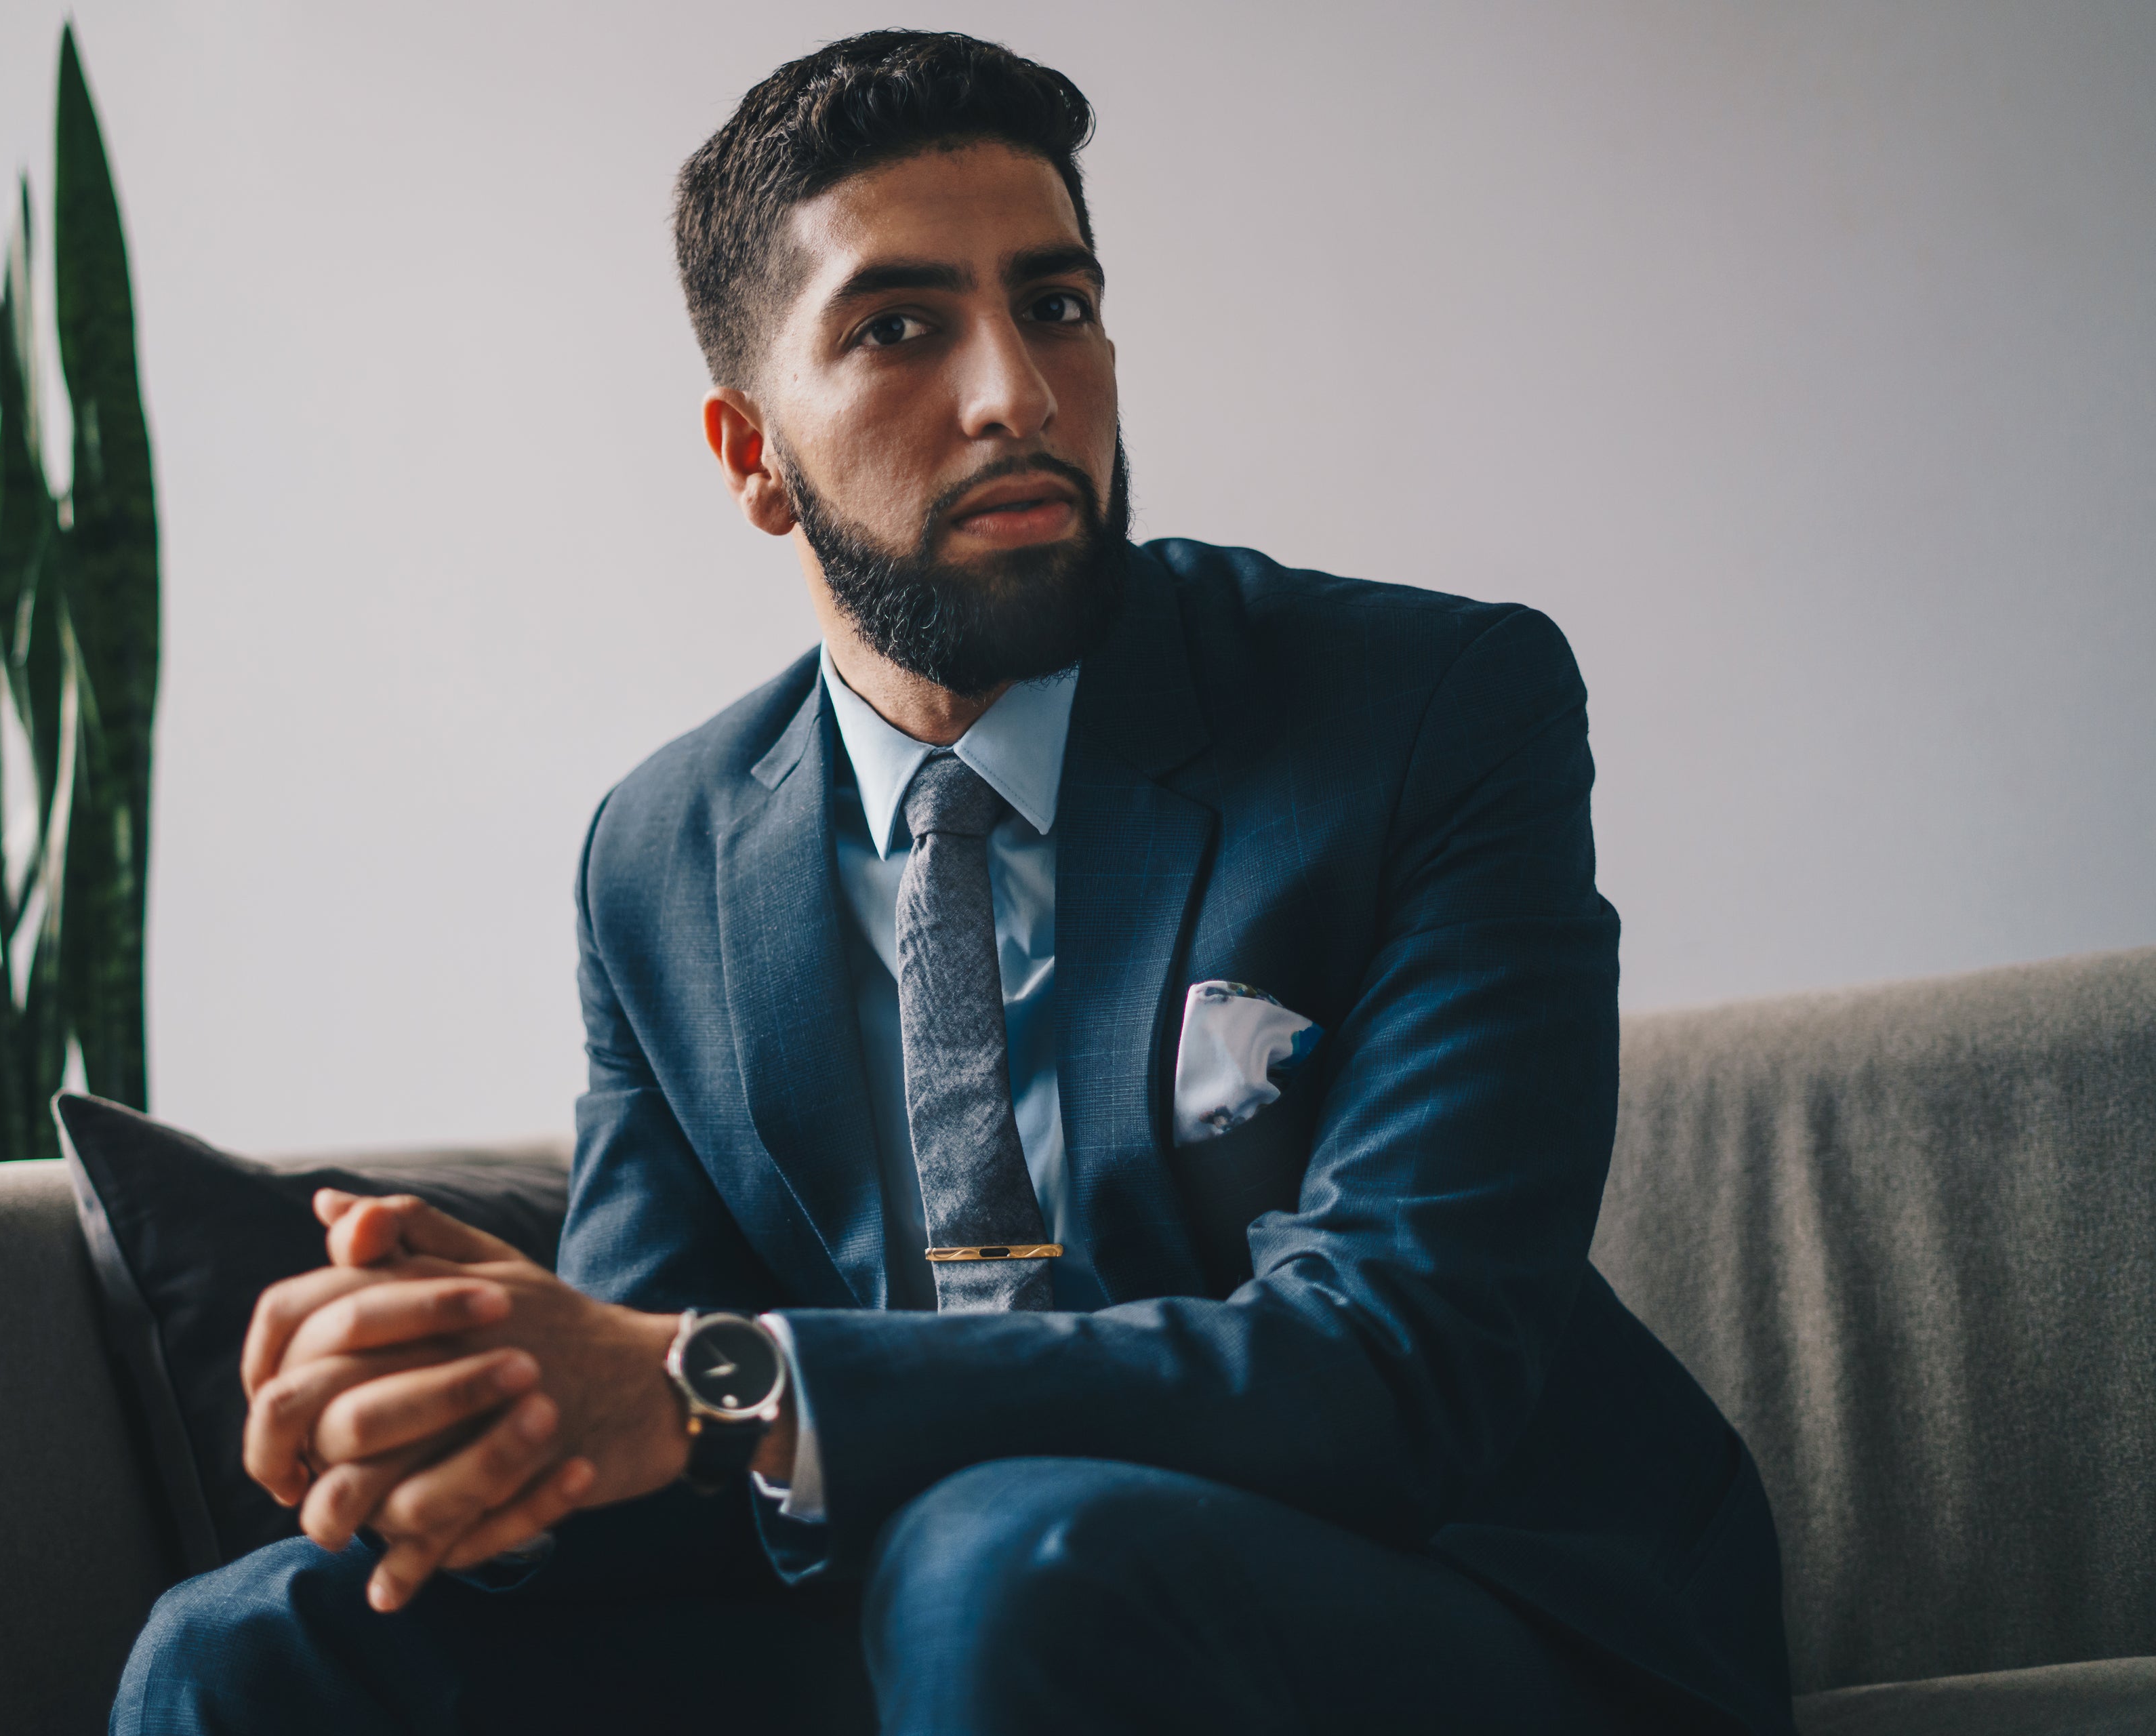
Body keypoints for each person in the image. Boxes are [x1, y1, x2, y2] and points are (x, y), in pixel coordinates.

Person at [113, 29, 1795, 1736]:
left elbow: (1396, 1368)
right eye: (900, 328)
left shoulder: (1428, 712)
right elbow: (648, 1416)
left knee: (1003, 1565)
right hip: (930, 1614)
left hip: (1454, 1602)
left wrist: (719, 1384)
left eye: (1056, 304)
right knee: (247, 1646)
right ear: (752, 455)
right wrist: (484, 1419)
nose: (1018, 393)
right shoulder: (660, 854)